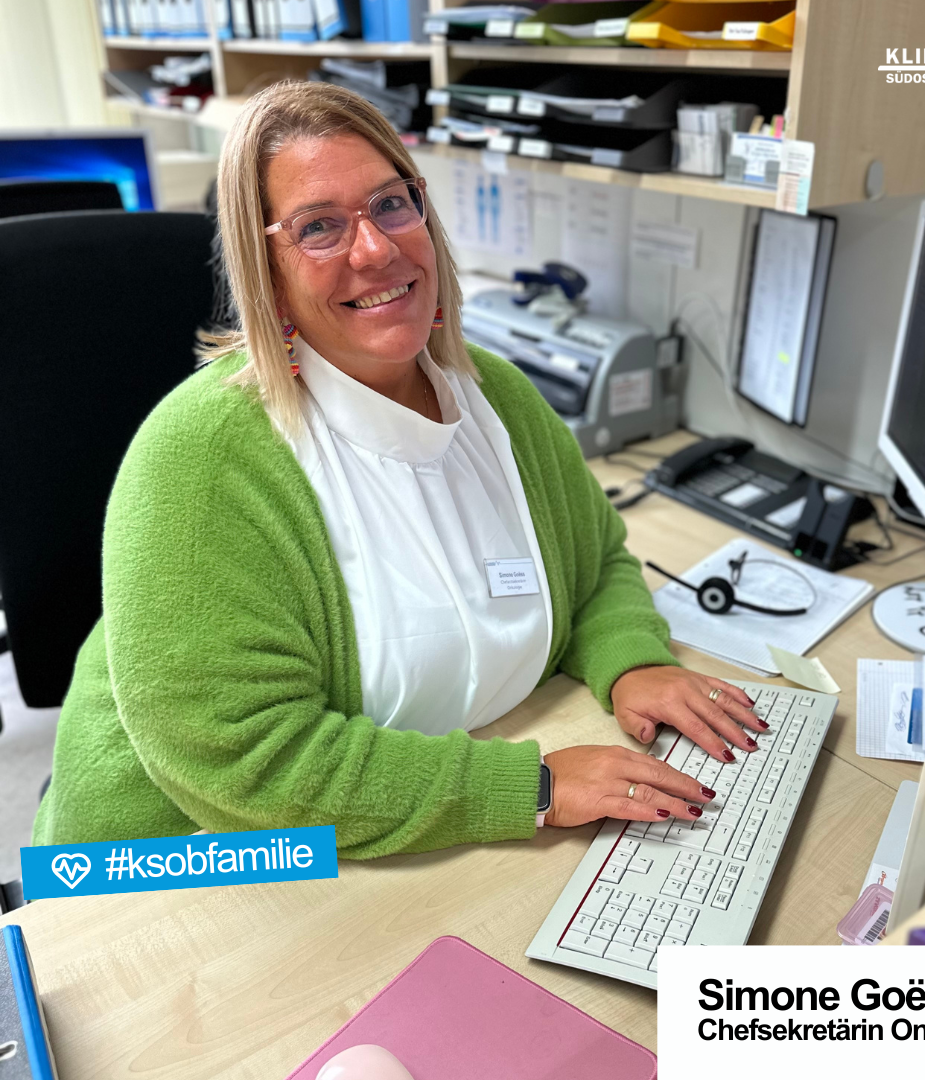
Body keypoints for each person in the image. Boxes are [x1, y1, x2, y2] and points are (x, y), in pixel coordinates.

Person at [33, 81, 766, 856]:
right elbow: (247, 762)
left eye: (390, 204)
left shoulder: (496, 396)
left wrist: (630, 661)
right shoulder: (203, 459)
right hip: (173, 859)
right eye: (319, 227)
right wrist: (532, 788)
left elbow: (597, 564)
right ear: (266, 267)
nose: (377, 249)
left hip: (422, 817)